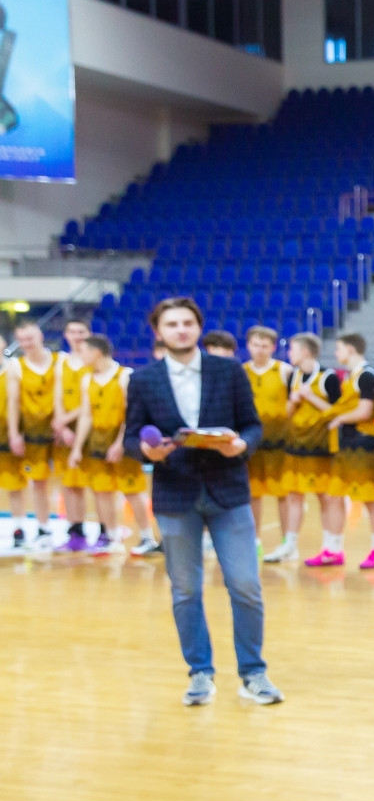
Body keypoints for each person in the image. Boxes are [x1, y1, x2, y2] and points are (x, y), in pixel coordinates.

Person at [123, 297, 280, 706]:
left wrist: (242, 445)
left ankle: (253, 672)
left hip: (228, 492)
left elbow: (253, 425)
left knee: (246, 586)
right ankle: (199, 673)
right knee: (186, 590)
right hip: (175, 495)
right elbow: (131, 437)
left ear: (198, 327)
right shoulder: (144, 380)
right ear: (159, 332)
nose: (180, 330)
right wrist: (147, 451)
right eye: (172, 324)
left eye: (187, 323)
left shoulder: (228, 371)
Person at [68, 334, 149, 555]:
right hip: (98, 443)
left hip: (122, 442)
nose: (80, 356)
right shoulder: (87, 379)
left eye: (83, 352)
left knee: (132, 491)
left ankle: (147, 536)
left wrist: (120, 442)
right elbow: (86, 416)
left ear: (96, 353)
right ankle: (112, 537)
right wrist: (77, 448)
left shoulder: (124, 376)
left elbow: (131, 415)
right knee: (102, 491)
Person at [272, 333, 342, 565]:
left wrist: (311, 397)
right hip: (296, 446)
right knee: (294, 495)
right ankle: (289, 545)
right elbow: (287, 412)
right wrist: (293, 402)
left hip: (321, 447)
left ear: (306, 352)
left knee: (325, 497)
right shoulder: (294, 376)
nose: (289, 353)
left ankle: (330, 546)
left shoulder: (328, 377)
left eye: (293, 349)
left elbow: (337, 413)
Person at [325, 333, 374, 569]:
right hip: (347, 444)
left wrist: (339, 419)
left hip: (365, 443)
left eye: (339, 348)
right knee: (334, 496)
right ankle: (334, 549)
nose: (336, 353)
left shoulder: (367, 375)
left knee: (369, 499)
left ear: (350, 349)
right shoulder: (349, 376)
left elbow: (364, 411)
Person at [7, 319, 70, 549]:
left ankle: (75, 527)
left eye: (30, 338)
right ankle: (43, 528)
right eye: (22, 339)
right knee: (39, 482)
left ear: (41, 336)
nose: (27, 343)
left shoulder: (60, 360)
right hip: (33, 433)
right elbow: (13, 402)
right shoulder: (16, 366)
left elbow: (66, 395)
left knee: (70, 481)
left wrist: (64, 423)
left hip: (60, 430)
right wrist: (14, 433)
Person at [243, 326, 293, 558]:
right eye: (256, 345)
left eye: (264, 346)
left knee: (284, 494)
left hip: (280, 443)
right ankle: (254, 541)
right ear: (248, 346)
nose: (260, 350)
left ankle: (287, 542)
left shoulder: (284, 371)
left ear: (273, 347)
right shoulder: (242, 372)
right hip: (252, 444)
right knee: (253, 494)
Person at [53, 317, 92, 550]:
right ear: (66, 335)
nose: (76, 336)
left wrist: (66, 420)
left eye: (81, 332)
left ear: (88, 334)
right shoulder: (61, 362)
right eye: (72, 332)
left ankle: (105, 530)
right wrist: (62, 426)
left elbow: (90, 398)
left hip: (89, 429)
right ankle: (75, 529)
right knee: (68, 483)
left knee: (93, 484)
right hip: (65, 431)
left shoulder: (92, 361)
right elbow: (57, 395)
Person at [0, 349, 26, 547]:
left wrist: (16, 433)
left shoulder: (14, 369)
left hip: (8, 437)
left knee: (15, 485)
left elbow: (18, 404)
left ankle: (19, 528)